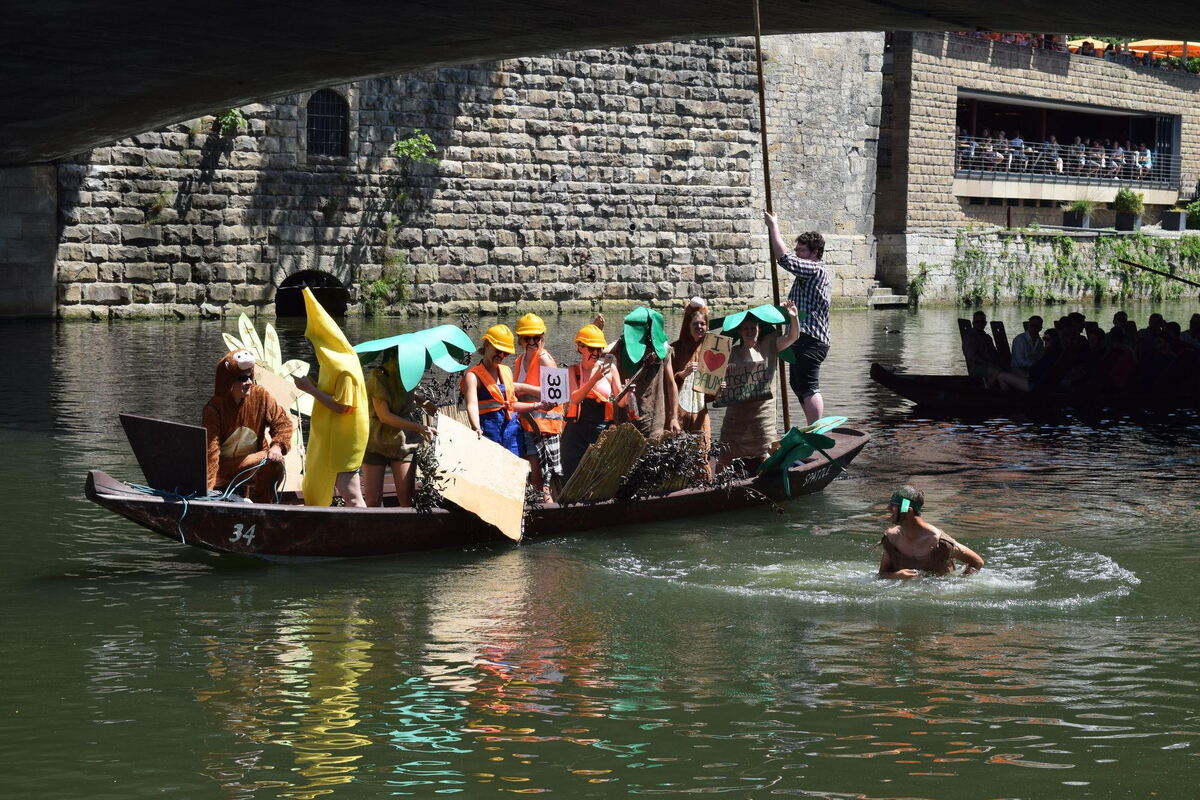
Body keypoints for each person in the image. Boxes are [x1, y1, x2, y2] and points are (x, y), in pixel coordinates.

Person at [296, 287, 367, 507]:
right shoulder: (332, 364)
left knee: (351, 494)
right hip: (331, 436)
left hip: (345, 440)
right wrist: (314, 385)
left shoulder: (345, 369)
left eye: (312, 344)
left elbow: (343, 407)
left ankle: (367, 526)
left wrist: (310, 389)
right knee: (324, 484)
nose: (311, 348)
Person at [715, 301, 802, 470]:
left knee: (765, 455)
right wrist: (724, 376)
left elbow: (793, 337)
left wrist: (794, 317)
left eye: (753, 328)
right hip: (736, 417)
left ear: (759, 329)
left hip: (763, 416)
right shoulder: (731, 352)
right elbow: (716, 382)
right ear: (740, 332)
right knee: (725, 455)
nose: (750, 331)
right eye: (745, 328)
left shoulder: (769, 345)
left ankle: (766, 482)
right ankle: (716, 482)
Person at [764, 211, 832, 424]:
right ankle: (812, 426)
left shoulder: (815, 269)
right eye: (797, 250)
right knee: (797, 384)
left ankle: (816, 428)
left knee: (808, 385)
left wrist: (773, 226)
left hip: (812, 339)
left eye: (802, 250)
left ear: (815, 252)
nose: (797, 253)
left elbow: (785, 259)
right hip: (801, 338)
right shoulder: (808, 273)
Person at [202, 349, 293, 502]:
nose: (249, 382)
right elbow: (211, 451)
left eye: (250, 376)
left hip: (253, 463)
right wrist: (207, 490)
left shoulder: (261, 396)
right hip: (223, 470)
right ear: (229, 381)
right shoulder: (214, 408)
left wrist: (277, 446)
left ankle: (263, 505)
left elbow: (283, 422)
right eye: (243, 378)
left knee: (274, 463)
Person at [361, 348, 436, 508]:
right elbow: (384, 416)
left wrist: (423, 402)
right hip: (376, 442)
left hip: (403, 442)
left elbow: (405, 395)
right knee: (373, 500)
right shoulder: (378, 378)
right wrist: (419, 428)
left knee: (407, 498)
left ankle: (407, 524)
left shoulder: (409, 376)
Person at [461, 324, 548, 458]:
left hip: (512, 433)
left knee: (516, 467)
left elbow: (511, 404)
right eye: (498, 350)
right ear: (487, 344)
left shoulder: (506, 371)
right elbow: (471, 405)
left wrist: (537, 405)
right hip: (489, 432)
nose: (501, 355)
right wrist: (476, 427)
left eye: (505, 353)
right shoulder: (473, 376)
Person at [561, 323, 627, 481]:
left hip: (601, 428)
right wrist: (594, 379)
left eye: (599, 349)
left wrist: (629, 392)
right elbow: (575, 399)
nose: (596, 353)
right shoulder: (572, 370)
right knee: (572, 473)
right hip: (576, 430)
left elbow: (621, 403)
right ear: (580, 348)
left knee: (598, 475)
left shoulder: (611, 369)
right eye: (592, 349)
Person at [512, 313, 565, 502]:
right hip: (527, 425)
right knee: (533, 479)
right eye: (528, 338)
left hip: (544, 428)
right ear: (520, 340)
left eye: (537, 337)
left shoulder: (545, 359)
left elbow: (557, 395)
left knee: (543, 483)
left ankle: (549, 511)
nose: (533, 342)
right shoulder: (520, 360)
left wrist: (522, 388)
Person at [877, 485, 984, 579]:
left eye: (893, 505)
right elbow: (882, 575)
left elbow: (977, 562)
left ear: (908, 510)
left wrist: (958, 583)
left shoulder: (939, 542)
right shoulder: (891, 538)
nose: (888, 508)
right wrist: (897, 575)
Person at [609, 307, 680, 440]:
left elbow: (671, 384)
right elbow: (601, 352)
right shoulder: (622, 345)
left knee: (652, 449)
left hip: (653, 421)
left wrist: (674, 417)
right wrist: (600, 331)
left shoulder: (663, 350)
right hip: (624, 419)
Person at [669, 297, 713, 445]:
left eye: (703, 324)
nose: (699, 327)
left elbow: (710, 395)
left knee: (702, 450)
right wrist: (683, 375)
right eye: (695, 324)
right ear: (688, 326)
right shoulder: (674, 350)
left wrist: (718, 388)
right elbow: (667, 385)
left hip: (700, 412)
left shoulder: (710, 350)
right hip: (679, 412)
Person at [962, 310, 1003, 385]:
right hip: (977, 367)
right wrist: (989, 364)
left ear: (985, 323)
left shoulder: (987, 337)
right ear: (973, 323)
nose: (980, 324)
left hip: (989, 364)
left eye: (982, 322)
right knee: (997, 371)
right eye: (977, 322)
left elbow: (994, 353)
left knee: (1003, 370)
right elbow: (972, 357)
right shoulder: (970, 337)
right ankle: (987, 388)